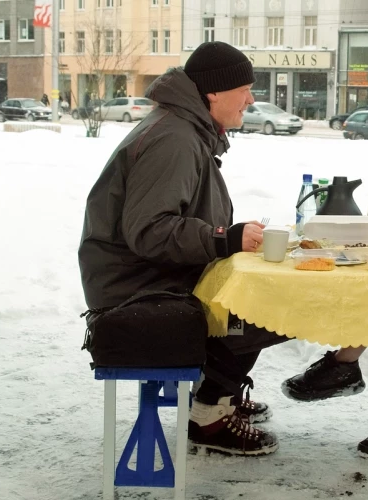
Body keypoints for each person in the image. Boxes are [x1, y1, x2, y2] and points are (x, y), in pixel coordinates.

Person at [78, 41, 287, 457]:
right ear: (214, 92)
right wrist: (223, 239)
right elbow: (149, 230)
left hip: (150, 275)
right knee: (270, 304)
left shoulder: (184, 128)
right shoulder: (174, 139)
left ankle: (221, 393)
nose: (250, 100)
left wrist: (228, 237)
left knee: (262, 291)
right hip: (137, 288)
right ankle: (209, 414)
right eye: (245, 90)